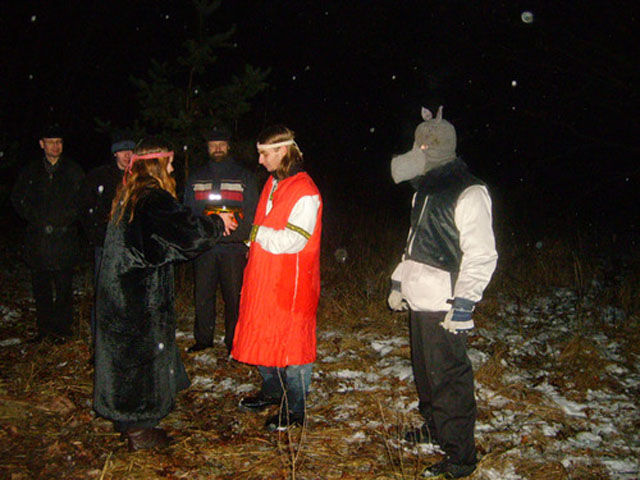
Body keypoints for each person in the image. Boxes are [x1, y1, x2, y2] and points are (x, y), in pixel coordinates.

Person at [93, 139, 237, 451]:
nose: (172, 169)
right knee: (139, 358)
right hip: (137, 297)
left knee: (125, 357)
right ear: (156, 165)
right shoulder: (152, 198)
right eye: (169, 163)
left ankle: (126, 420)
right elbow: (186, 234)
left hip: (122, 292)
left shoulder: (132, 194)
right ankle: (140, 428)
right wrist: (217, 223)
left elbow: (161, 243)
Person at [388, 107, 498, 479]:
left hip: (445, 302)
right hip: (420, 296)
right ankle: (435, 427)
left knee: (448, 378)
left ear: (436, 147)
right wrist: (400, 280)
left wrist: (464, 302)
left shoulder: (470, 191)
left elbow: (481, 254)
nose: (417, 152)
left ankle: (461, 455)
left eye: (424, 146)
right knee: (425, 373)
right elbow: (415, 243)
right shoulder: (425, 189)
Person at [231, 125, 322, 432]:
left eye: (265, 153)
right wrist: (243, 231)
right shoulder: (273, 182)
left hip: (291, 284)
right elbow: (265, 221)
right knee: (261, 330)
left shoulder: (305, 192)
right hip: (264, 276)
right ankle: (272, 390)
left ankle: (295, 409)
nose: (260, 160)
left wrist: (254, 233)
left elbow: (294, 241)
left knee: (293, 345)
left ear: (283, 151)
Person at [183, 128, 258, 354]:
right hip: (205, 247)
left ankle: (234, 341)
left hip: (233, 248)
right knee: (203, 295)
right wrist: (201, 236)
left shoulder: (244, 176)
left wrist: (240, 237)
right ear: (207, 147)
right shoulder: (196, 177)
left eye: (221, 144)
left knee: (233, 297)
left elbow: (252, 212)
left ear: (228, 146)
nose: (217, 148)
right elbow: (188, 212)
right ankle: (203, 339)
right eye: (213, 144)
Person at [11, 124, 84, 343]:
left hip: (64, 239)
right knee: (41, 287)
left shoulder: (73, 171)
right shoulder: (31, 171)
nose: (56, 147)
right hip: (38, 240)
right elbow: (18, 199)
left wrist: (65, 219)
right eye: (51, 142)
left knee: (63, 288)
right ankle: (44, 330)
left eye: (59, 142)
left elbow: (82, 201)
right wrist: (36, 218)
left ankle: (62, 331)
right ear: (42, 144)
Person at [79, 131, 136, 341]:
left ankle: (126, 338)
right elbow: (86, 209)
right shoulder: (99, 177)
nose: (127, 155)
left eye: (130, 151)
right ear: (115, 154)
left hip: (133, 248)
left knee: (130, 294)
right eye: (122, 151)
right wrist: (98, 236)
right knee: (104, 294)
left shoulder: (139, 178)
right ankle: (101, 341)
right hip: (106, 246)